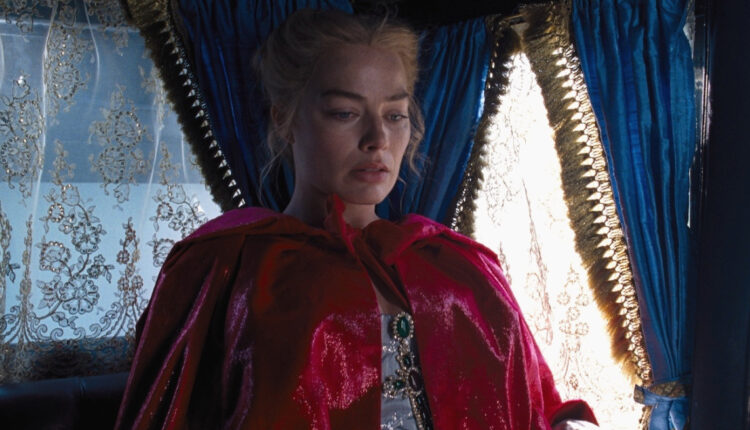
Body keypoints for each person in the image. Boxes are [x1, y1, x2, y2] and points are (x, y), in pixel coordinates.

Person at [115, 9, 598, 430]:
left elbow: (544, 409)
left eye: (395, 115)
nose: (377, 140)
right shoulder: (222, 265)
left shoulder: (463, 267)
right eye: (345, 112)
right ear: (285, 119)